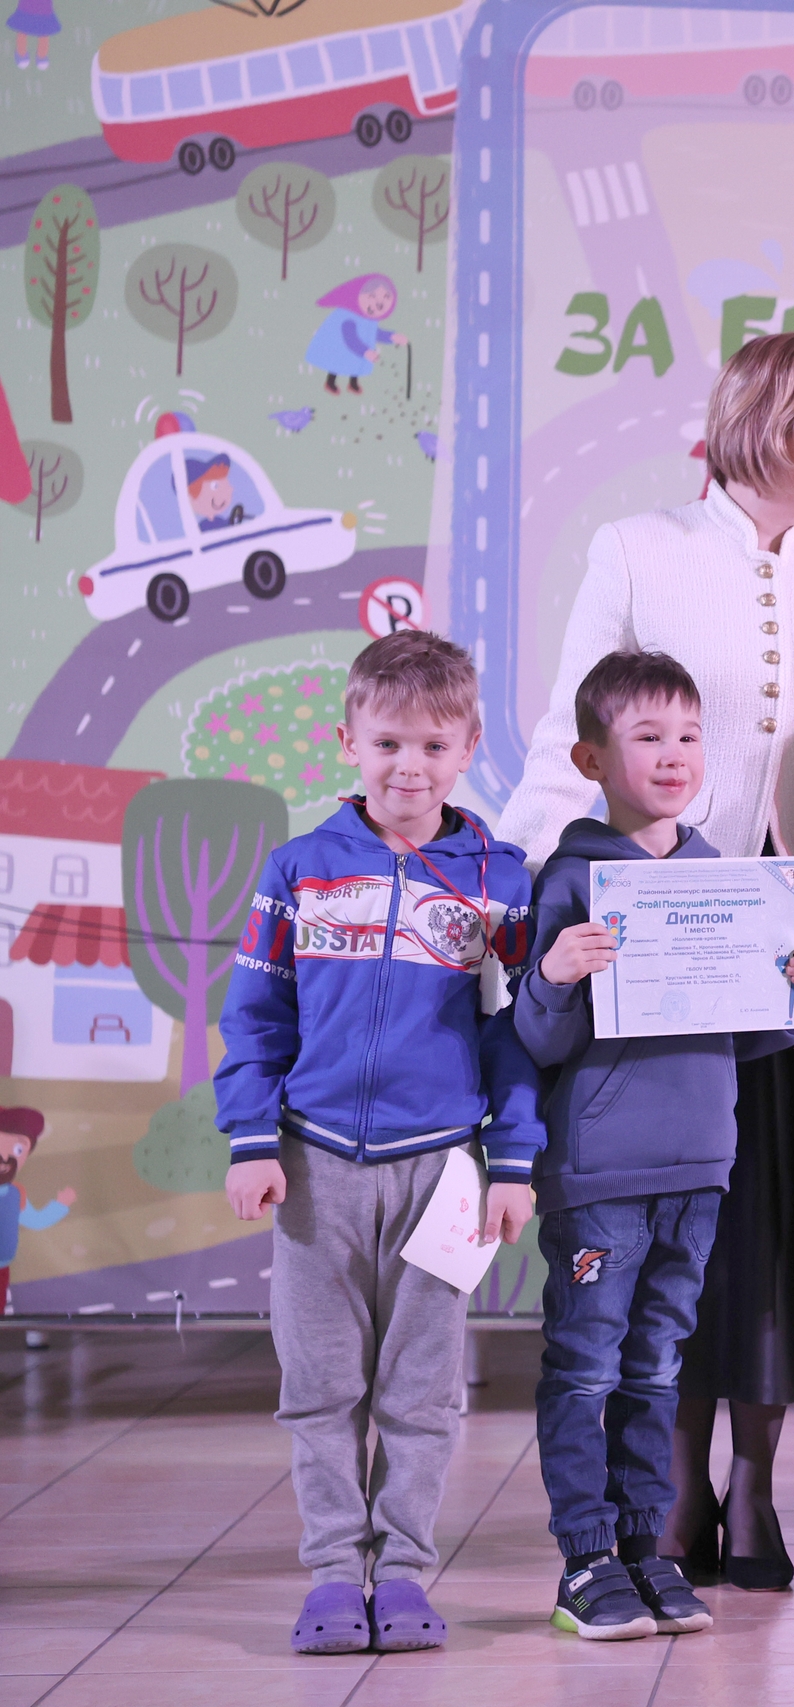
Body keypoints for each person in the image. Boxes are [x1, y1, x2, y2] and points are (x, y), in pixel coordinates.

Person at [497, 330, 794, 1589]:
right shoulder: (640, 549)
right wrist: (504, 890)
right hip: (657, 945)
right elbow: (570, 731)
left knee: (774, 1236)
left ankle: (759, 1489)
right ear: (781, 420)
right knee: (679, 1226)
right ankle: (672, 1486)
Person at [214, 631, 542, 1655]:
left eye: (435, 746)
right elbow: (256, 1016)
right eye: (389, 742)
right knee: (319, 1385)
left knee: (422, 1389)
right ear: (348, 741)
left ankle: (402, 1571)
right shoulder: (299, 869)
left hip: (446, 1172)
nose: (411, 766)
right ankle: (330, 1574)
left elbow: (519, 1033)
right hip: (312, 1167)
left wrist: (514, 1161)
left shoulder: (499, 879)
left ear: (469, 748)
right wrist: (251, 1139)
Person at [512, 650, 794, 1640]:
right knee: (587, 1365)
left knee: (657, 1366)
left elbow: (742, 1036)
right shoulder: (569, 877)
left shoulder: (724, 880)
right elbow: (539, 1041)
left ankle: (645, 1548)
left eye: (689, 736)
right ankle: (585, 1561)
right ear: (590, 757)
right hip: (600, 1175)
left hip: (699, 1169)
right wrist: (554, 977)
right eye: (647, 736)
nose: (673, 755)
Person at [0, 1108, 73, 1318]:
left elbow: (35, 1220)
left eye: (18, 1149)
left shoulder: (15, 1193)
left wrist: (60, 1205)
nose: (5, 1156)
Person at [306, 275, 408, 396]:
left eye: (386, 297)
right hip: (340, 344)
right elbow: (351, 339)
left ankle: (353, 383)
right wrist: (365, 352)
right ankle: (331, 381)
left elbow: (374, 333)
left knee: (356, 361)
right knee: (337, 360)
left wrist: (391, 337)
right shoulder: (348, 317)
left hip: (358, 347)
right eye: (372, 296)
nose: (379, 304)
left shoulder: (370, 318)